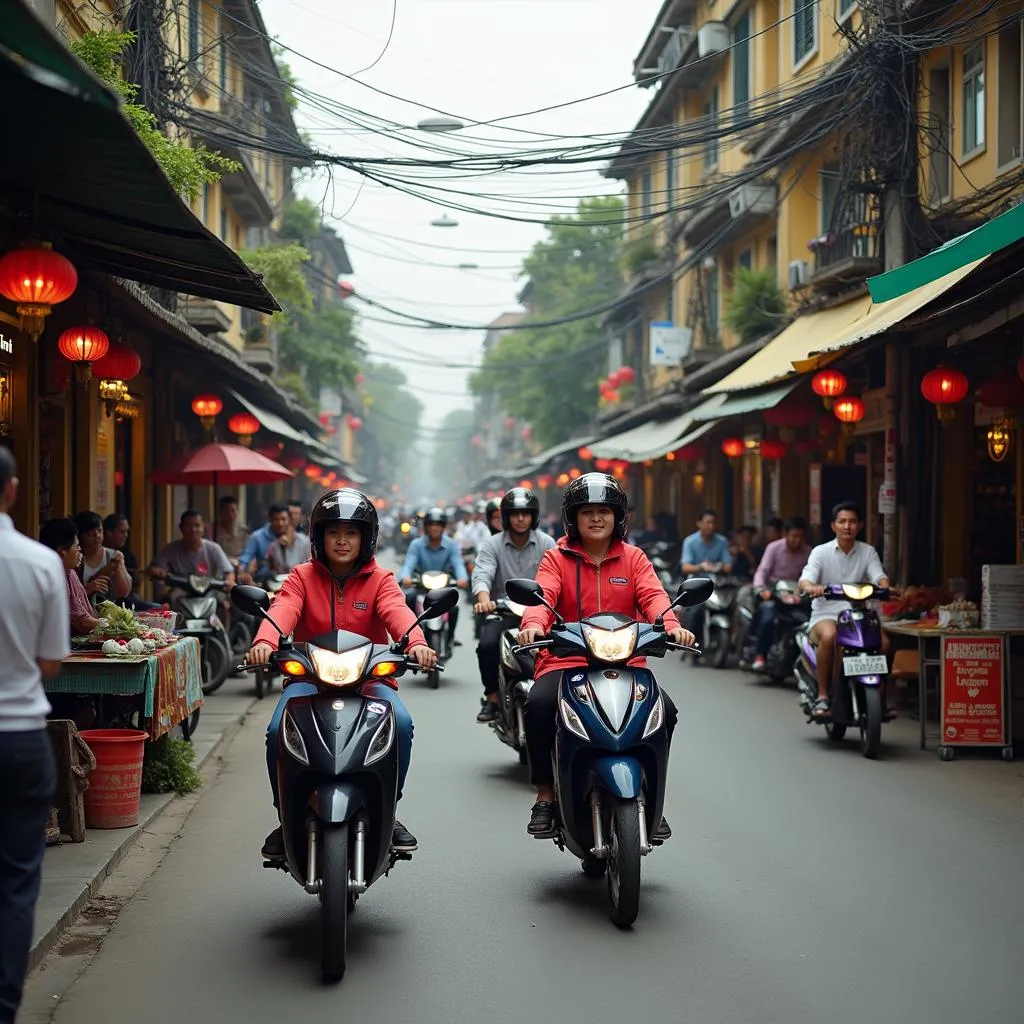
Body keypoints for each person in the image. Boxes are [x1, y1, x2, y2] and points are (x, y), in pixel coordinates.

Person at [246, 489, 437, 859]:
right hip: (308, 680)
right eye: (334, 533)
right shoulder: (301, 576)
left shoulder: (381, 579)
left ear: (366, 539)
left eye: (351, 533)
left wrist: (416, 643)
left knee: (402, 724)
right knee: (275, 732)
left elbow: (397, 611)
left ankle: (390, 809)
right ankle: (285, 816)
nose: (343, 541)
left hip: (369, 681)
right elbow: (283, 608)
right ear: (319, 538)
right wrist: (265, 641)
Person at [516, 474, 696, 840]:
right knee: (537, 705)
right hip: (567, 662)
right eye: (587, 512)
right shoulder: (556, 558)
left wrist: (672, 623)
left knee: (667, 713)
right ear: (573, 518)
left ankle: (651, 796)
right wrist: (533, 624)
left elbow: (653, 597)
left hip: (627, 663)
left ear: (617, 517)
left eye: (604, 511)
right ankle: (546, 792)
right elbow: (544, 599)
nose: (596, 519)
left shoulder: (634, 558)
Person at [0, 448, 69, 1024]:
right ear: (13, 491)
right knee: (16, 883)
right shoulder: (40, 562)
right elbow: (52, 662)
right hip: (21, 738)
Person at [798, 502, 892, 718]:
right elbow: (806, 578)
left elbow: (879, 576)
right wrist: (811, 587)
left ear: (859, 525)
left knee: (884, 643)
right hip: (826, 613)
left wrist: (885, 586)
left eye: (852, 522)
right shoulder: (820, 552)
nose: (847, 526)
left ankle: (880, 694)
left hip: (859, 613)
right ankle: (823, 695)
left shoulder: (868, 552)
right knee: (830, 637)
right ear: (834, 526)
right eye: (842, 521)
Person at [472, 488, 556, 723]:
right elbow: (482, 575)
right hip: (502, 612)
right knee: (486, 646)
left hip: (540, 614)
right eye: (515, 514)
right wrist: (483, 600)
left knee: (559, 649)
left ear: (533, 516)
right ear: (506, 517)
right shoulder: (492, 544)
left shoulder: (546, 543)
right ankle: (492, 699)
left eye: (526, 514)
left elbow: (557, 576)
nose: (520, 519)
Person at [748, 516, 812, 671]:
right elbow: (762, 572)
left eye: (801, 537)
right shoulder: (773, 548)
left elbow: (811, 576)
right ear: (786, 534)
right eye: (794, 536)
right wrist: (761, 588)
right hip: (774, 593)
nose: (797, 540)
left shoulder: (808, 552)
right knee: (768, 616)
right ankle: (760, 655)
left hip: (796, 597)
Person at [400, 507, 469, 647]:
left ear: (443, 527)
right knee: (409, 599)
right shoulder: (416, 544)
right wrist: (405, 577)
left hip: (444, 589)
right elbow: (408, 564)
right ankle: (412, 637)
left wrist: (463, 578)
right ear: (426, 526)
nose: (434, 528)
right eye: (431, 524)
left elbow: (458, 563)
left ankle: (450, 638)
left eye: (438, 524)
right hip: (421, 587)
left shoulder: (451, 545)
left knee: (454, 608)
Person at [147, 510, 235, 600]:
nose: (193, 530)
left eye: (197, 526)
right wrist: (158, 572)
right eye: (189, 526)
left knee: (225, 604)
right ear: (181, 528)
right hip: (180, 595)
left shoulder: (213, 548)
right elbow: (155, 568)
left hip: (208, 594)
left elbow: (228, 571)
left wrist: (229, 581)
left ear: (203, 528)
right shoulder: (171, 549)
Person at [40, 518, 101, 636]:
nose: (80, 550)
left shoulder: (69, 571)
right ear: (62, 551)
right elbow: (82, 623)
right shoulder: (52, 576)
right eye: (76, 546)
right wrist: (112, 625)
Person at [680, 509, 732, 634]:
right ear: (699, 523)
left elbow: (728, 567)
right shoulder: (690, 541)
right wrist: (701, 567)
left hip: (717, 585)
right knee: (694, 611)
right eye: (708, 522)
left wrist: (717, 567)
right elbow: (685, 567)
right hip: (697, 585)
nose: (711, 526)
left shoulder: (722, 541)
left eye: (714, 523)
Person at [73, 510, 132, 610]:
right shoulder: (74, 558)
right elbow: (70, 596)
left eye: (99, 531)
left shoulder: (113, 555)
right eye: (90, 534)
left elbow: (124, 592)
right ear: (79, 536)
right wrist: (90, 586)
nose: (97, 536)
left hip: (110, 612)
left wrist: (119, 567)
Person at [262, 507, 312, 577]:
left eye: (283, 519)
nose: (280, 523)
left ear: (289, 520)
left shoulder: (305, 542)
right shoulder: (274, 546)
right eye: (276, 520)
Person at [213, 496, 250, 563]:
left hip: (240, 565)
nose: (230, 514)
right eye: (226, 511)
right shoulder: (212, 530)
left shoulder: (244, 531)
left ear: (237, 512)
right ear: (220, 512)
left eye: (233, 511)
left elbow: (248, 553)